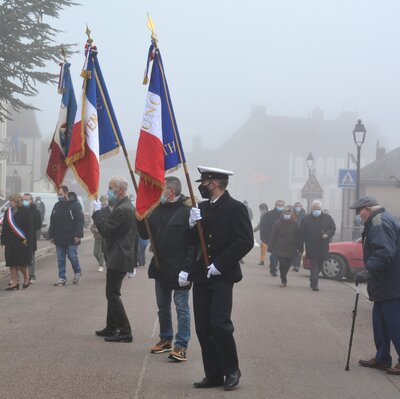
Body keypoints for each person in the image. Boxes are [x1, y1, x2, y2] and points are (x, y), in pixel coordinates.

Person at [188, 166, 254, 391]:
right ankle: (213, 374)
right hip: (202, 275)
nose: (202, 187)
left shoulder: (236, 208)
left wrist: (220, 264)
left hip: (222, 275)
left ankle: (231, 370)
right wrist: (191, 225)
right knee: (203, 326)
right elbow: (193, 241)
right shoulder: (202, 207)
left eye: (204, 183)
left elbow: (245, 240)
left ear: (213, 183)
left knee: (220, 324)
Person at [137, 176, 195, 362]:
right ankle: (165, 339)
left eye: (161, 189)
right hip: (160, 267)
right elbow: (145, 234)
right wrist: (140, 216)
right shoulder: (156, 210)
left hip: (180, 270)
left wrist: (187, 269)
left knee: (181, 308)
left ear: (171, 191)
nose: (158, 193)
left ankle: (181, 345)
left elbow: (193, 245)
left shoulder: (187, 212)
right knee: (162, 307)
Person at [351, 196, 400, 375]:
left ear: (368, 209)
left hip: (392, 282)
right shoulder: (377, 220)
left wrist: (368, 270)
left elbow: (384, 252)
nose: (357, 215)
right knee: (380, 321)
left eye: (359, 211)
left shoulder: (378, 222)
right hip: (384, 283)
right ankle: (382, 358)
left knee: (394, 322)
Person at [92, 176, 138, 343]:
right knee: (111, 292)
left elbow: (106, 230)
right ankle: (111, 327)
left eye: (111, 187)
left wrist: (97, 213)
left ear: (120, 190)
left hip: (119, 255)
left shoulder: (123, 209)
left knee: (112, 294)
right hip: (117, 254)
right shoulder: (121, 206)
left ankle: (125, 331)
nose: (109, 190)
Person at [49, 185, 84, 287]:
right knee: (60, 259)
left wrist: (78, 235)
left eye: (60, 194)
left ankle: (77, 271)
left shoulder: (75, 205)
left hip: (72, 237)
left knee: (72, 256)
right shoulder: (57, 206)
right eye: (58, 194)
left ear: (66, 193)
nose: (59, 196)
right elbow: (53, 221)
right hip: (59, 237)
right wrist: (51, 235)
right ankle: (62, 277)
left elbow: (79, 221)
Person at [300, 200, 336, 291]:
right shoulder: (306, 219)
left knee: (319, 265)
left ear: (321, 209)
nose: (317, 210)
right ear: (311, 209)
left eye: (318, 209)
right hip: (311, 246)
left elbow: (333, 228)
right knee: (314, 265)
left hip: (323, 246)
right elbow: (301, 234)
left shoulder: (327, 218)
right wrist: (300, 246)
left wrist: (327, 234)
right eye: (315, 208)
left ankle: (313, 279)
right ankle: (315, 283)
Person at [1, 193, 34, 290]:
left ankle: (26, 277)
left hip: (22, 242)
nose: (10, 203)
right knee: (11, 263)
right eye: (10, 201)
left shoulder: (26, 212)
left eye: (12, 201)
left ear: (17, 202)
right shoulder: (8, 212)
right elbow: (5, 227)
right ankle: (14, 282)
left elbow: (30, 229)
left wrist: (28, 241)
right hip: (10, 242)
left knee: (21, 264)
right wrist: (3, 240)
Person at [269, 206, 301, 287]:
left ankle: (284, 275)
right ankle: (283, 280)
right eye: (285, 214)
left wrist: (299, 248)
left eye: (288, 214)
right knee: (282, 264)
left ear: (291, 214)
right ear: (283, 214)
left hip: (291, 248)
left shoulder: (295, 224)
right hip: (279, 248)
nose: (287, 215)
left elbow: (298, 237)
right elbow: (272, 235)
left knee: (288, 265)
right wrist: (270, 247)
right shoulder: (277, 223)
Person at [23, 193, 42, 283]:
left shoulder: (36, 211)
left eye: (26, 200)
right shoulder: (20, 210)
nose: (24, 201)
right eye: (23, 199)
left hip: (31, 237)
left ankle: (31, 276)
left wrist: (30, 227)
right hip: (21, 238)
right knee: (20, 258)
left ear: (31, 201)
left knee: (31, 258)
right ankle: (23, 276)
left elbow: (38, 224)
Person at [264, 199, 285, 276]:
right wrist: (264, 237)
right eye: (278, 205)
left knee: (281, 256)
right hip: (271, 238)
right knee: (273, 254)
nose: (280, 206)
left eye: (281, 205)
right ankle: (273, 269)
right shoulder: (269, 214)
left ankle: (276, 266)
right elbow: (264, 226)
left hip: (283, 239)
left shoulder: (286, 216)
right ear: (275, 205)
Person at [90, 195, 108, 272]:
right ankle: (100, 263)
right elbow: (93, 224)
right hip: (97, 236)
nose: (103, 205)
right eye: (102, 203)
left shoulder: (108, 212)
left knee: (102, 252)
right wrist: (94, 229)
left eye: (104, 203)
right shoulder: (97, 212)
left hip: (104, 236)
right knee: (95, 253)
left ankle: (101, 265)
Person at [292, 201, 306, 271]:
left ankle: (297, 266)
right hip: (292, 235)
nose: (297, 208)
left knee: (300, 250)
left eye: (299, 206)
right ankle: (294, 263)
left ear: (301, 207)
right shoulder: (291, 214)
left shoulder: (304, 215)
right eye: (296, 206)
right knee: (292, 250)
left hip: (301, 235)